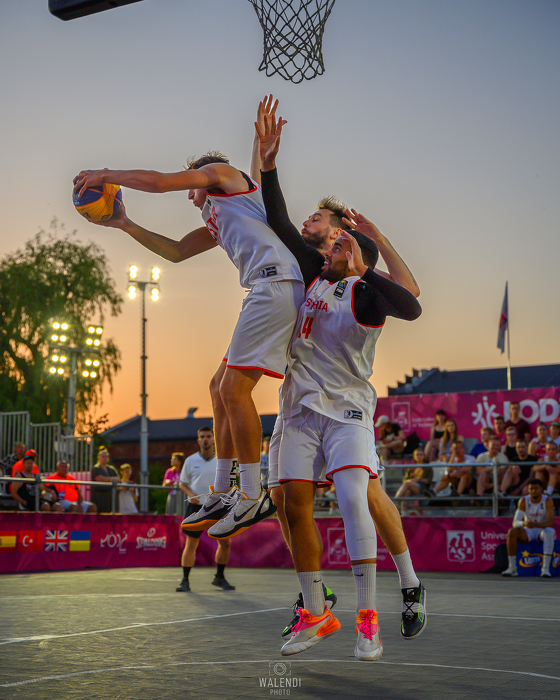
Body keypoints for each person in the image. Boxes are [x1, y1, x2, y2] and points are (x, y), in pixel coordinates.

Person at [74, 109, 303, 535]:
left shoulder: (223, 176)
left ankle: (252, 494)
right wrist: (124, 224)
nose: (188, 194)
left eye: (192, 186)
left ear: (202, 176)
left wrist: (106, 174)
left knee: (234, 389)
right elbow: (177, 252)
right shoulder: (222, 214)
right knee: (219, 387)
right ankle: (224, 490)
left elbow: (161, 183)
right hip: (266, 289)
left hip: (275, 285)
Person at [254, 97, 425, 643]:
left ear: (341, 241)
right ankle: (315, 601)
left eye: (323, 223)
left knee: (361, 496)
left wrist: (370, 254)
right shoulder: (312, 270)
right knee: (288, 501)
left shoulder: (360, 287)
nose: (312, 225)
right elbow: (278, 219)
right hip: (298, 406)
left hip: (346, 407)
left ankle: (398, 590)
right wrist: (267, 164)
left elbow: (410, 301)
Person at [176, 427, 235, 592]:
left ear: (214, 439)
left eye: (208, 436)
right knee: (191, 543)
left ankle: (219, 577)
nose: (205, 439)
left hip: (219, 506)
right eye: (202, 436)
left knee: (225, 543)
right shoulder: (190, 460)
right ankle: (185, 580)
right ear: (198, 440)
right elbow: (182, 483)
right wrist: (190, 494)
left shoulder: (223, 461)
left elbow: (232, 483)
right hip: (196, 507)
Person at [502, 479, 555, 577]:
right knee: (512, 532)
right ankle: (512, 567)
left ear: (541, 489)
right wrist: (524, 523)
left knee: (550, 531)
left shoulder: (547, 500)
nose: (534, 491)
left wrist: (535, 525)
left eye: (536, 488)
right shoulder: (523, 501)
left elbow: (550, 523)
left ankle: (545, 569)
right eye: (531, 489)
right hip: (528, 530)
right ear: (528, 490)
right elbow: (515, 522)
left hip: (541, 530)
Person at [90, 447, 120, 513]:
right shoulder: (96, 468)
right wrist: (112, 480)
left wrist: (108, 479)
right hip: (100, 497)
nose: (105, 458)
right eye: (103, 456)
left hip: (110, 498)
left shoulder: (111, 469)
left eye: (106, 456)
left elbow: (118, 479)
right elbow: (99, 478)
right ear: (99, 457)